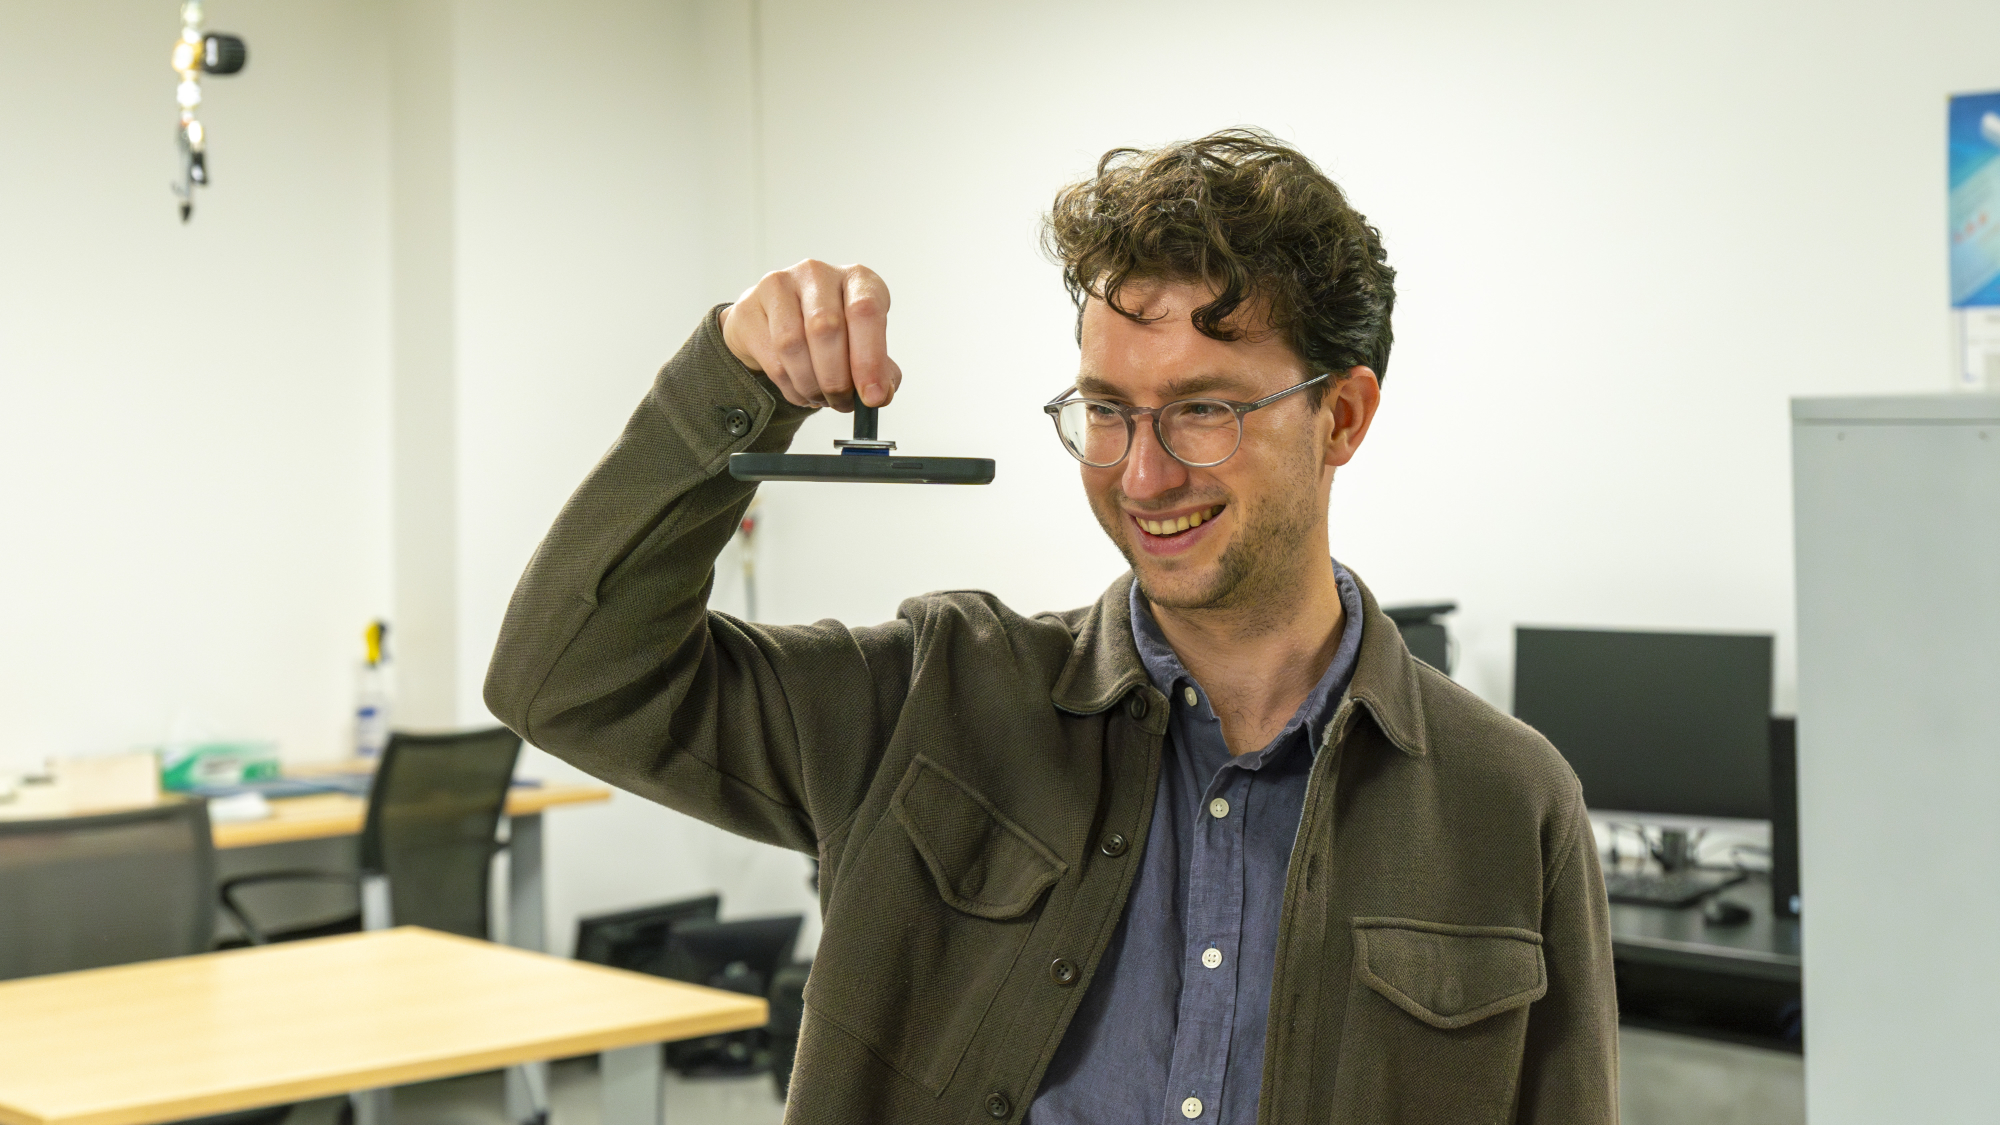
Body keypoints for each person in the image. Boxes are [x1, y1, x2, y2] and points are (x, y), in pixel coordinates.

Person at [486, 128, 1617, 1124]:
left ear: (1342, 416)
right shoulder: (937, 701)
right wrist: (731, 381)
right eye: (1106, 412)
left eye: (1203, 410)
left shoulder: (1504, 802)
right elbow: (569, 680)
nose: (1143, 474)